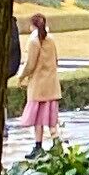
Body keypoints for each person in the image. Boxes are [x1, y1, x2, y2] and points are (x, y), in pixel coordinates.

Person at [18, 11, 63, 144]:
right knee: (51, 118)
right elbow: (55, 60)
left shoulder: (33, 41)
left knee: (38, 118)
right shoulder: (51, 39)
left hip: (38, 85)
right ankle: (56, 143)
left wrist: (21, 76)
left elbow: (30, 64)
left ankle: (38, 146)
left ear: (32, 25)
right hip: (51, 84)